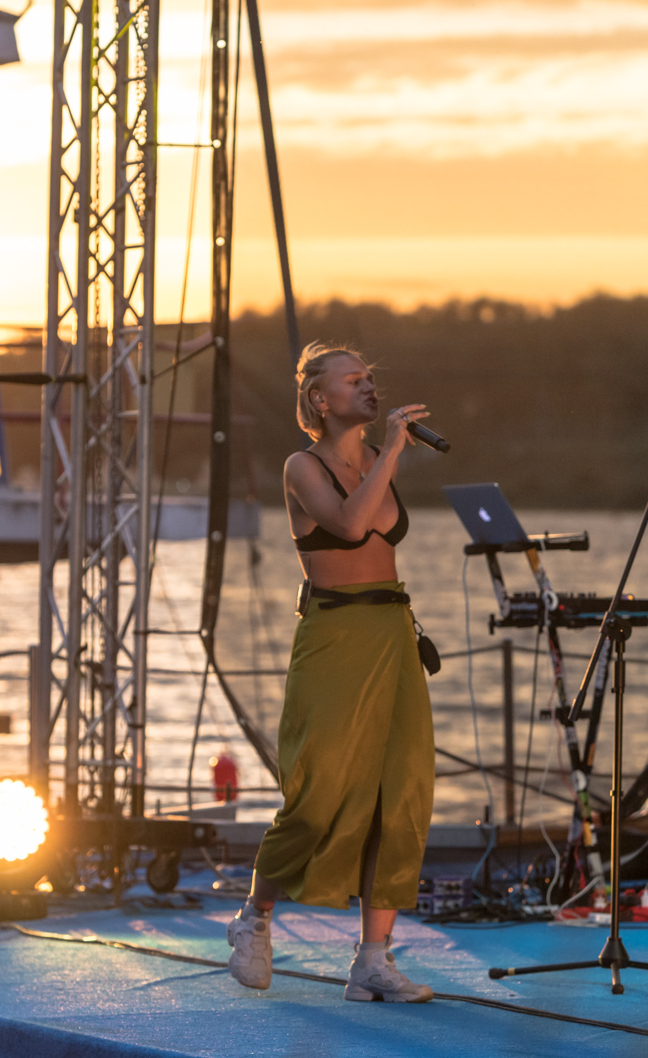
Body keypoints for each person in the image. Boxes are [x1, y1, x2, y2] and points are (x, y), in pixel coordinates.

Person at [225, 342, 437, 1002]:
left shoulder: (376, 458)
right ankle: (254, 917)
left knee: (401, 794)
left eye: (372, 377)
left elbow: (375, 527)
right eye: (355, 380)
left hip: (391, 631)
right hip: (333, 630)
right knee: (318, 795)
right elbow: (348, 524)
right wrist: (397, 451)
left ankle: (372, 958)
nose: (370, 387)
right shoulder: (302, 465)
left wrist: (387, 452)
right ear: (321, 398)